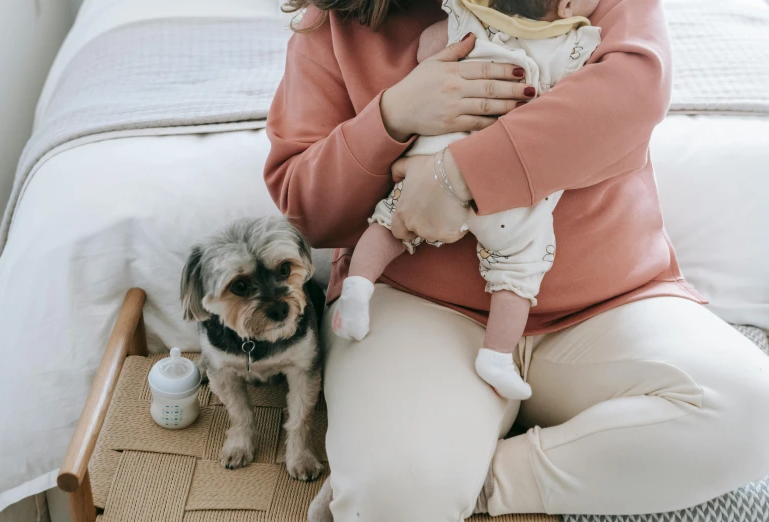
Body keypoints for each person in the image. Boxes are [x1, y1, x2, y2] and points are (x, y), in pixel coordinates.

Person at [263, 0, 769, 520]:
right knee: (396, 491)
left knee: (754, 413)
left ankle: (477, 483)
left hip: (611, 302)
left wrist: (458, 174)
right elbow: (308, 210)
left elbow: (634, 93)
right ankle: (410, 481)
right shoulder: (335, 26)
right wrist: (393, 114)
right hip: (421, 306)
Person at [329, 0, 601, 401]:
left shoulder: (469, 21)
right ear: (565, 7)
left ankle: (357, 287)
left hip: (434, 162)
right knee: (516, 273)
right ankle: (496, 355)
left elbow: (428, 47)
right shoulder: (570, 44)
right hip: (513, 197)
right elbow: (586, 106)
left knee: (390, 222)